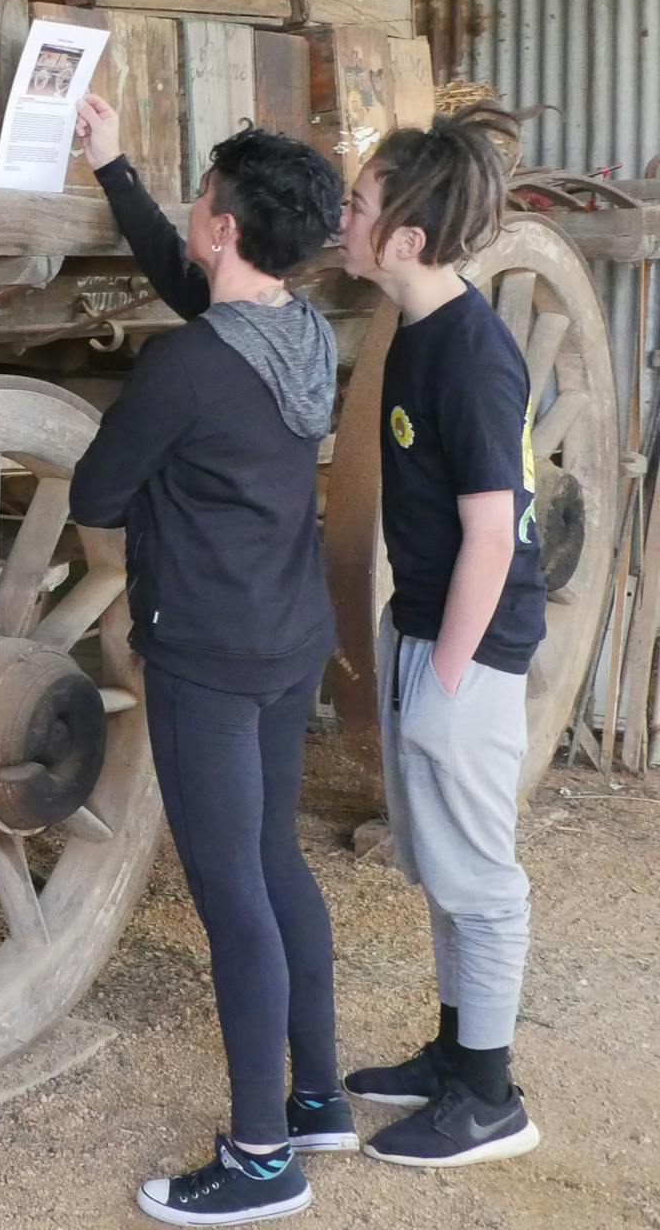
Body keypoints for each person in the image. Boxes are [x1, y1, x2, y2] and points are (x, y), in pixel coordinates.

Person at [69, 95, 352, 1225]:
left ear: (226, 229)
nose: (191, 209)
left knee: (231, 896)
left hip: (206, 655)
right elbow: (193, 288)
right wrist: (114, 169)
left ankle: (261, 1160)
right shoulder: (302, 336)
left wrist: (149, 485)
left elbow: (96, 492)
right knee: (275, 862)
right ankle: (318, 1097)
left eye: (200, 197)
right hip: (288, 638)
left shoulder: (185, 368)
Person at [334, 104, 544, 1168]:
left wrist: (445, 680)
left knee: (481, 886)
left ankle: (492, 1100)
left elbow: (492, 536)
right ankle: (457, 1056)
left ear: (405, 239)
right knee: (443, 868)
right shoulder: (418, 329)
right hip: (421, 622)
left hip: (471, 642)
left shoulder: (469, 355)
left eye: (356, 206)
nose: (342, 219)